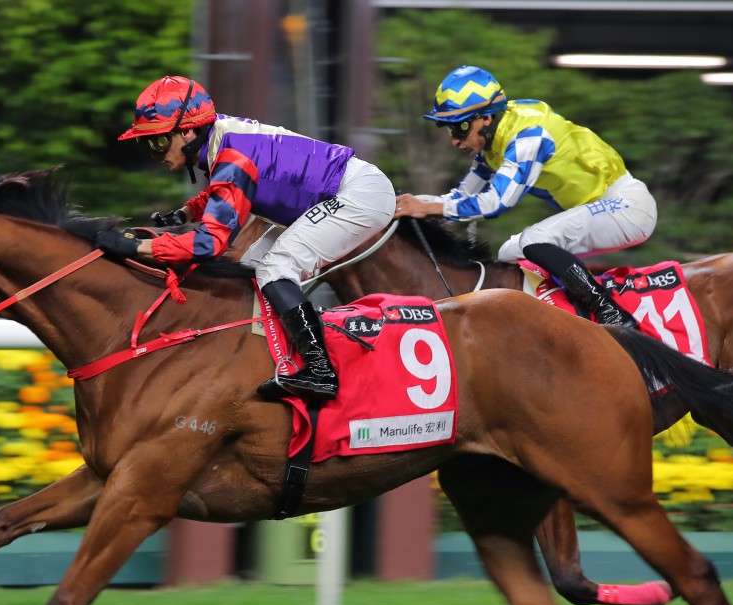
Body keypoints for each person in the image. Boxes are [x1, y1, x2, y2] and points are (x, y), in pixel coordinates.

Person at [98, 75, 396, 402]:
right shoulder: (218, 137)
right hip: (330, 194)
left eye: (158, 142)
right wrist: (183, 214)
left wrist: (138, 246)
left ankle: (320, 370)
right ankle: (268, 357)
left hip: (357, 194)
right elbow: (226, 188)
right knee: (252, 264)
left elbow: (208, 244)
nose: (156, 154)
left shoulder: (232, 155)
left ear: (186, 131)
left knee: (275, 269)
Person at [395, 65, 657, 328]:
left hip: (627, 206)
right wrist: (408, 206)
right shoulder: (494, 141)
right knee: (509, 252)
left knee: (534, 240)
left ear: (485, 118)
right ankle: (562, 313)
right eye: (449, 129)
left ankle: (612, 315)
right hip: (601, 207)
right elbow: (460, 196)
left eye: (460, 127)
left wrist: (427, 208)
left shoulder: (529, 136)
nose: (454, 140)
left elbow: (495, 203)